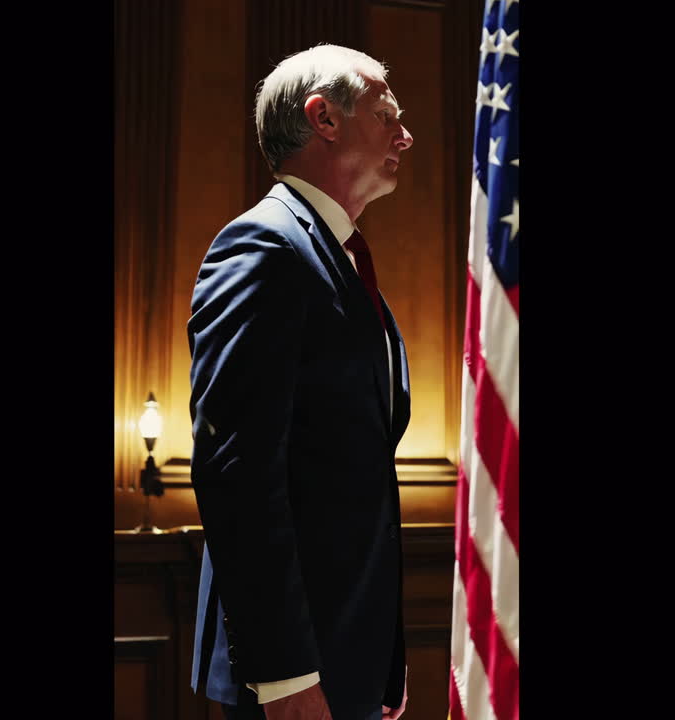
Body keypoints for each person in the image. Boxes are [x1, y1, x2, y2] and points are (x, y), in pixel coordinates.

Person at [186, 44, 415, 720]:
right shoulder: (262, 247)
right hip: (292, 674)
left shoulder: (338, 258)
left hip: (349, 661)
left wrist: (382, 663)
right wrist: (286, 675)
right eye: (386, 115)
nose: (405, 135)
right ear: (324, 118)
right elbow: (238, 475)